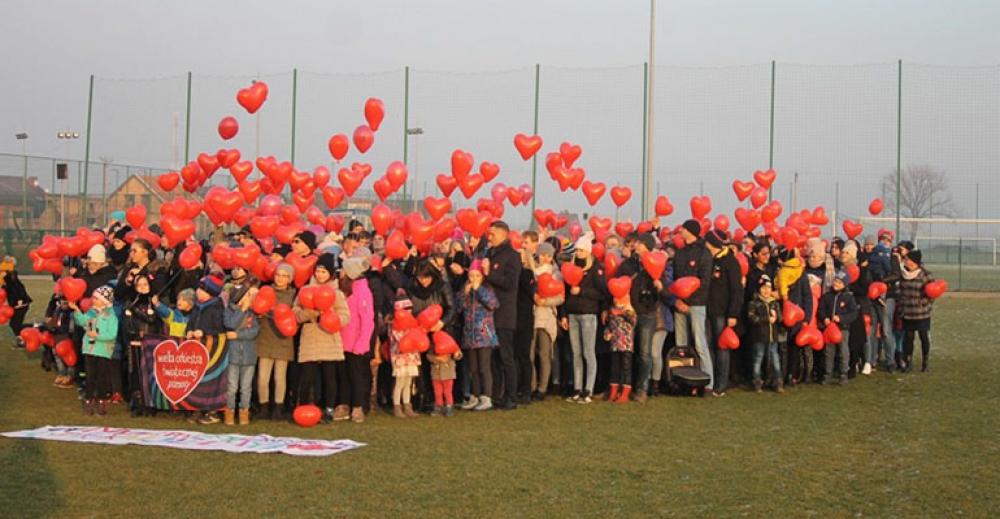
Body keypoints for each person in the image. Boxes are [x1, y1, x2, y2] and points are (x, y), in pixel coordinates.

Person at [294, 253, 351, 423]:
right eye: (318, 271)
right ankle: (304, 406)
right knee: (308, 375)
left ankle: (328, 408)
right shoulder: (304, 291)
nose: (320, 275)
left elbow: (345, 315)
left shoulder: (337, 293)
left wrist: (332, 319)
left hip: (329, 337)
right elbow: (295, 311)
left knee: (329, 375)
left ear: (331, 274)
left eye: (324, 272)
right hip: (310, 336)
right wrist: (306, 314)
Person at [616, 232, 669, 403]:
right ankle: (626, 387)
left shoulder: (658, 264)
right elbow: (617, 283)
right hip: (628, 312)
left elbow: (667, 291)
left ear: (646, 246)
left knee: (644, 353)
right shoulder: (628, 264)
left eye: (638, 243)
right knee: (626, 353)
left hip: (648, 313)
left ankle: (642, 389)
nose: (635, 245)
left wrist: (660, 286)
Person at [560, 232, 608, 404]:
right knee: (576, 353)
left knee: (588, 352)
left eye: (581, 250)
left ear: (588, 251)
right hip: (573, 314)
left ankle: (589, 389)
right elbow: (565, 293)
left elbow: (603, 293)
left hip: (588, 314)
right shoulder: (570, 267)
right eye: (577, 250)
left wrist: (582, 292)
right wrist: (564, 314)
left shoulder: (596, 268)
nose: (578, 253)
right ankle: (577, 388)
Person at [406, 260, 456, 413]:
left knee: (439, 368)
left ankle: (443, 401)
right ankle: (424, 398)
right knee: (421, 368)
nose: (424, 281)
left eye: (426, 278)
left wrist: (442, 322)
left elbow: (452, 308)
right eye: (421, 278)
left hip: (439, 331)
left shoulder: (442, 286)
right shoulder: (412, 288)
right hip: (419, 331)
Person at [481, 220, 522, 410]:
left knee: (506, 356)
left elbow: (510, 283)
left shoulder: (512, 256)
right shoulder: (489, 253)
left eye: (493, 234)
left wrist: (489, 274)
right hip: (488, 314)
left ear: (504, 234)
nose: (490, 237)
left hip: (504, 314)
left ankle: (511, 396)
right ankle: (497, 394)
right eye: (489, 234)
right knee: (493, 358)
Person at [671, 219, 714, 394]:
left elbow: (704, 282)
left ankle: (708, 382)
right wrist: (677, 300)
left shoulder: (704, 254)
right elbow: (675, 279)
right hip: (679, 305)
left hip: (696, 304)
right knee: (681, 345)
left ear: (691, 231)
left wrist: (687, 301)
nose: (680, 231)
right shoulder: (679, 253)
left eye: (684, 228)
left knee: (699, 343)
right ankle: (683, 380)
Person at [704, 230, 743, 396]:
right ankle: (710, 381)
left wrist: (733, 313)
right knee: (708, 347)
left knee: (722, 347)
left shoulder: (730, 262)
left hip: (723, 312)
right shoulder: (708, 260)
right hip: (707, 310)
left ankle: (721, 383)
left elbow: (737, 290)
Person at [256, 263, 297, 420]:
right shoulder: (266, 291)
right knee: (262, 377)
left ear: (290, 279)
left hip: (283, 339)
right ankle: (263, 406)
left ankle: (278, 407)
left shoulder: (293, 295)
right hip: (266, 337)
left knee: (280, 377)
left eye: (284, 276)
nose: (280, 278)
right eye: (278, 275)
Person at [458, 260, 500, 412]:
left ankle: (487, 397)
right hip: (470, 335)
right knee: (473, 368)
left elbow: (493, 304)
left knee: (484, 366)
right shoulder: (466, 290)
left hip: (484, 334)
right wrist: (465, 293)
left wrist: (479, 290)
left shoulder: (487, 289)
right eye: (471, 276)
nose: (474, 279)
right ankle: (475, 395)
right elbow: (458, 307)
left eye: (477, 276)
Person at [69, 286, 118, 416]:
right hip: (90, 349)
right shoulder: (91, 312)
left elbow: (112, 334)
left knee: (102, 376)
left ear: (104, 300)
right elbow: (82, 321)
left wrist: (98, 336)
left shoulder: (110, 316)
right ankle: (89, 399)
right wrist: (77, 311)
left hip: (103, 350)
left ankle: (102, 400)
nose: (93, 300)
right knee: (90, 376)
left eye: (96, 298)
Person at [186, 274, 226, 424]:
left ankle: (211, 409)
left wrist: (205, 332)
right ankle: (196, 407)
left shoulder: (216, 307)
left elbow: (219, 326)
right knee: (196, 378)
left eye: (202, 290)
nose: (198, 292)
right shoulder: (197, 307)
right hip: (196, 347)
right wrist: (189, 330)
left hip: (212, 348)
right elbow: (191, 322)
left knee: (210, 379)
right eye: (198, 289)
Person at [339, 256, 375, 423]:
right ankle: (344, 404)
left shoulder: (363, 291)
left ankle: (358, 406)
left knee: (357, 375)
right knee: (344, 375)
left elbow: (368, 319)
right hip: (342, 340)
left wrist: (362, 342)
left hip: (356, 342)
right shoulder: (344, 289)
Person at [121, 275, 160, 416]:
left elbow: (153, 319)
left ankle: (150, 403)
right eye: (140, 285)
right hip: (135, 342)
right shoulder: (131, 302)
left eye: (145, 284)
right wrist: (133, 334)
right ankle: (137, 401)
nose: (143, 287)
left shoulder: (153, 302)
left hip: (151, 343)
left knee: (149, 372)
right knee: (135, 372)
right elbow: (127, 323)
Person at [529, 241, 563, 401]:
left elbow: (560, 297)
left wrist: (546, 302)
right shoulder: (532, 271)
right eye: (542, 254)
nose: (545, 258)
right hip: (531, 315)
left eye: (548, 255)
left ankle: (543, 387)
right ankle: (531, 385)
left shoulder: (556, 273)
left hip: (546, 316)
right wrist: (533, 296)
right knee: (529, 353)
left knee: (544, 353)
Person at [223, 282, 260, 425]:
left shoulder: (252, 314)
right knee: (232, 386)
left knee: (246, 387)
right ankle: (230, 412)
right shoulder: (229, 311)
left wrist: (238, 335)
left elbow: (254, 331)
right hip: (233, 355)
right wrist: (242, 310)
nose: (250, 298)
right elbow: (231, 324)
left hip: (249, 355)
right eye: (247, 295)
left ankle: (244, 411)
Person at [777, 247, 814, 387]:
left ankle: (789, 375)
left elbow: (807, 296)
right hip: (792, 316)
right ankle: (788, 375)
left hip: (792, 316)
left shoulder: (788, 273)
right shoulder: (799, 271)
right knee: (789, 348)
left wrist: (806, 318)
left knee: (788, 348)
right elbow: (808, 297)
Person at [818, 271, 858, 385]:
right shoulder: (827, 296)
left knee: (843, 351)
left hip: (842, 329)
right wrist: (824, 318)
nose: (836, 284)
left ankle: (843, 373)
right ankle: (828, 373)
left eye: (840, 282)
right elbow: (821, 309)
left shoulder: (849, 297)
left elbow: (853, 313)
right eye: (836, 281)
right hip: (829, 328)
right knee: (828, 351)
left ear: (844, 285)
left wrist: (841, 318)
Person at [897, 250, 935, 372]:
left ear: (914, 262)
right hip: (907, 312)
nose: (905, 261)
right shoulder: (903, 274)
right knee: (908, 338)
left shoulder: (926, 275)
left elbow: (932, 294)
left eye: (907, 259)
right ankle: (908, 362)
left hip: (921, 312)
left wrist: (923, 303)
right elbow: (900, 289)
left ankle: (925, 362)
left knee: (923, 336)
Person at [746, 275, 784, 393]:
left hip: (773, 336)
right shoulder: (754, 303)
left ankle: (778, 381)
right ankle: (757, 381)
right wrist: (767, 319)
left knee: (775, 358)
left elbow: (780, 319)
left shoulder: (774, 303)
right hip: (759, 336)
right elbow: (752, 318)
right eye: (763, 288)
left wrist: (776, 317)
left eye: (768, 287)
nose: (766, 290)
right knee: (758, 358)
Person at [389, 297, 422, 418]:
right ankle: (397, 406)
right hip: (400, 357)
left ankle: (407, 405)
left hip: (411, 356)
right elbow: (399, 341)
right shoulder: (395, 325)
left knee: (408, 382)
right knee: (400, 382)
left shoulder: (413, 323)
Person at [604, 294, 637, 403]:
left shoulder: (630, 311)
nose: (616, 300)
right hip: (614, 344)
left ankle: (625, 393)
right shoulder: (611, 311)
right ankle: (614, 392)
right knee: (614, 368)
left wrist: (623, 313)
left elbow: (633, 322)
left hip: (626, 344)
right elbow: (609, 326)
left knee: (626, 368)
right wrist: (607, 333)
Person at [0, 256, 32, 338]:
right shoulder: (7, 280)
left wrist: (20, 299)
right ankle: (22, 337)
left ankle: (34, 327)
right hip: (17, 304)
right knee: (15, 324)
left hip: (21, 304)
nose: (1, 273)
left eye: (2, 271)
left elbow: (19, 289)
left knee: (15, 324)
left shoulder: (11, 279)